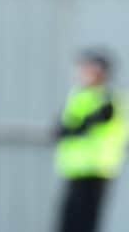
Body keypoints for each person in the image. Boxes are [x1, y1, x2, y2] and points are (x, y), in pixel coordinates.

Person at [55, 49, 128, 232]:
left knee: (85, 223)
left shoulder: (109, 99)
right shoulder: (79, 96)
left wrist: (80, 126)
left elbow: (98, 123)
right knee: (69, 222)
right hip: (75, 170)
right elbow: (62, 129)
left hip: (96, 170)